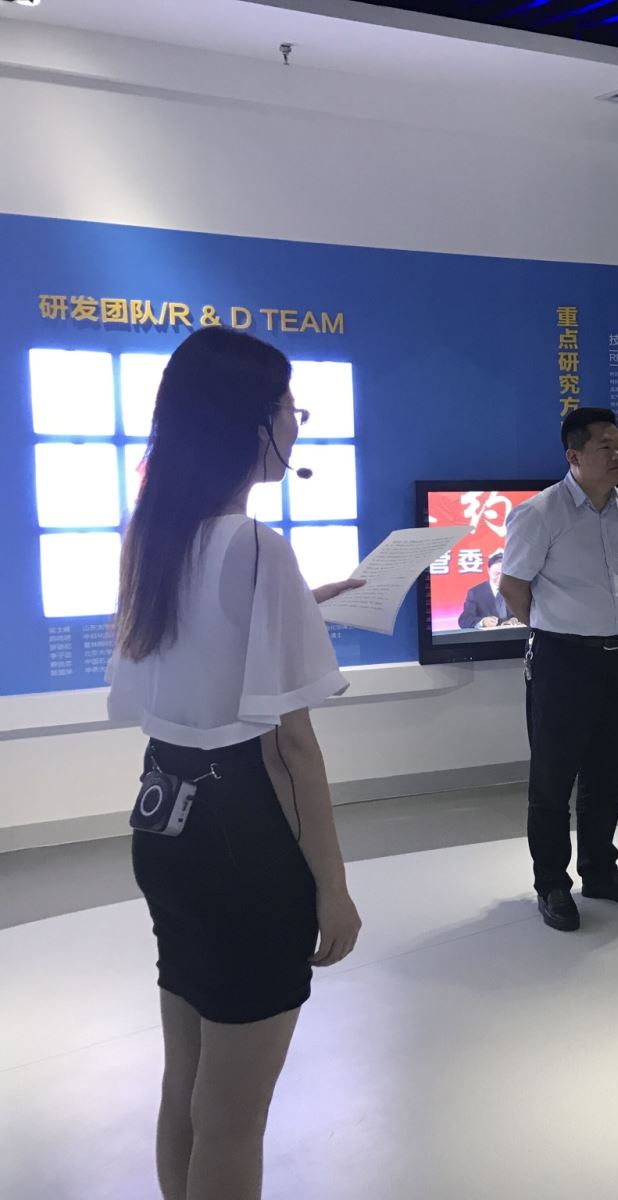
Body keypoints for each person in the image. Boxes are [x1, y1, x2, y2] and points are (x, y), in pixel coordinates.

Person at [106, 327, 364, 1200]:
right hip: (243, 835)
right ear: (254, 424)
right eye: (290, 407)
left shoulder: (154, 536)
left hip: (165, 820)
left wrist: (297, 604)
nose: (295, 422)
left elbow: (192, 648)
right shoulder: (257, 548)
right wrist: (332, 887)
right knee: (235, 1114)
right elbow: (292, 748)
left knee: (187, 1077)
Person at [500, 407, 618, 932]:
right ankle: (552, 883)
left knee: (610, 775)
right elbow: (513, 588)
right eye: (604, 446)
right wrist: (555, 630)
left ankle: (600, 871)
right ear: (574, 455)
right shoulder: (541, 512)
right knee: (552, 781)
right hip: (562, 661)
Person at [457, 549, 512, 629]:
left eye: (504, 574)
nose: (501, 578)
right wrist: (482, 622)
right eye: (496, 573)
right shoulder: (475, 593)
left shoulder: (516, 590)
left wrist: (517, 619)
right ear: (488, 571)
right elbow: (464, 620)